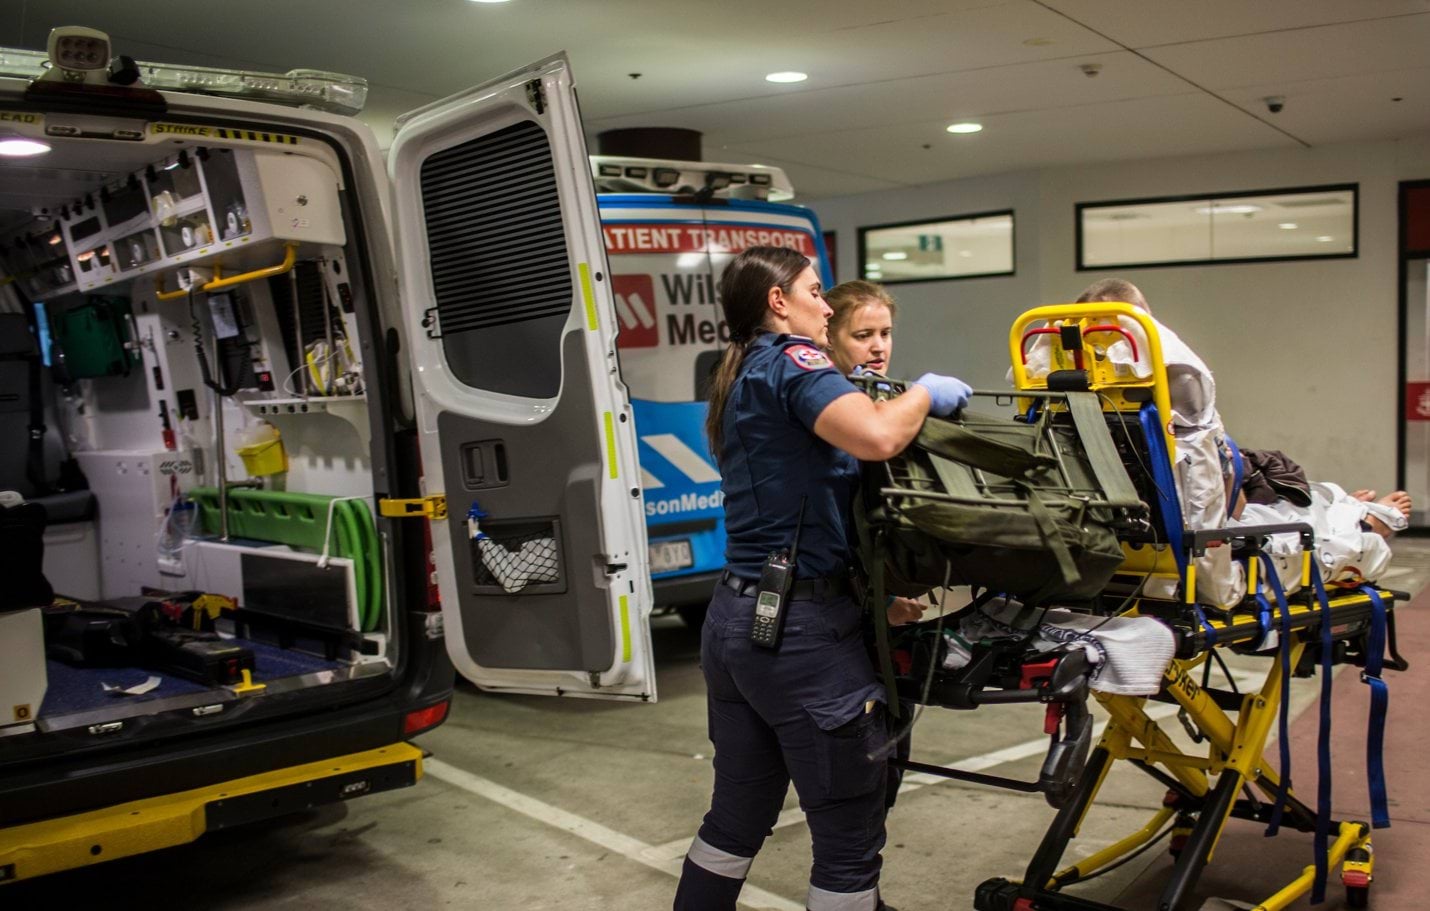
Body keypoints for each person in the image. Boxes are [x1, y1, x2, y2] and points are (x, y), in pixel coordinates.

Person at [673, 247, 970, 911]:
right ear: (779, 301)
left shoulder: (742, 369)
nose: (826, 303)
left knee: (735, 819)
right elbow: (874, 437)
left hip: (740, 620)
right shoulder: (794, 361)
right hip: (801, 635)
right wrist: (925, 392)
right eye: (814, 290)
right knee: (846, 833)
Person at [824, 280, 896, 376]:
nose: (879, 348)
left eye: (884, 333)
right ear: (829, 339)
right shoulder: (812, 389)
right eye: (863, 336)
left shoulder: (900, 390)